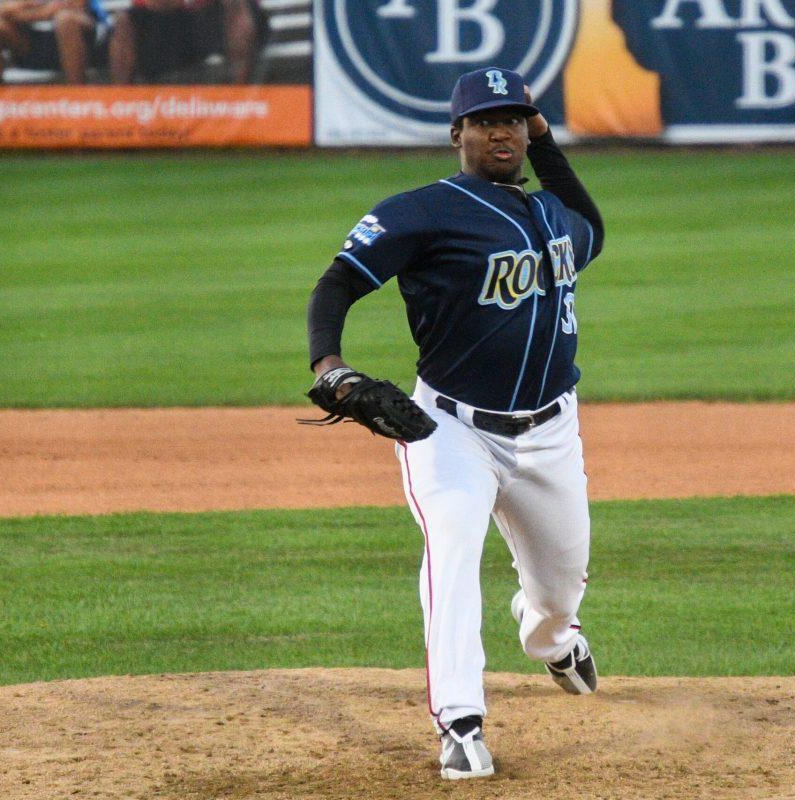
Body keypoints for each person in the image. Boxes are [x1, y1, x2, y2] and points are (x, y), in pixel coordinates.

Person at [304, 66, 605, 781]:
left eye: (512, 120)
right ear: (458, 134)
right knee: (452, 551)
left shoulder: (553, 217)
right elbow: (338, 281)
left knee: (561, 587)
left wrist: (545, 136)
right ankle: (460, 724)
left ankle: (554, 638)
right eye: (485, 121)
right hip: (450, 431)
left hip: (551, 432)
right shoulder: (422, 211)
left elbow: (593, 225)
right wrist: (330, 369)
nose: (501, 132)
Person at [108, 0, 267, 85]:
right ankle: (122, 108)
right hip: (168, 23)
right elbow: (152, 4)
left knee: (236, 7)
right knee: (124, 23)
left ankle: (239, 104)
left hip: (216, 19)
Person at [0, 0, 107, 85]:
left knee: (65, 19)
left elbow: (72, 6)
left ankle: (78, 96)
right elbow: (4, 11)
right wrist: (44, 10)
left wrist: (26, 9)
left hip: (82, 41)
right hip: (37, 44)